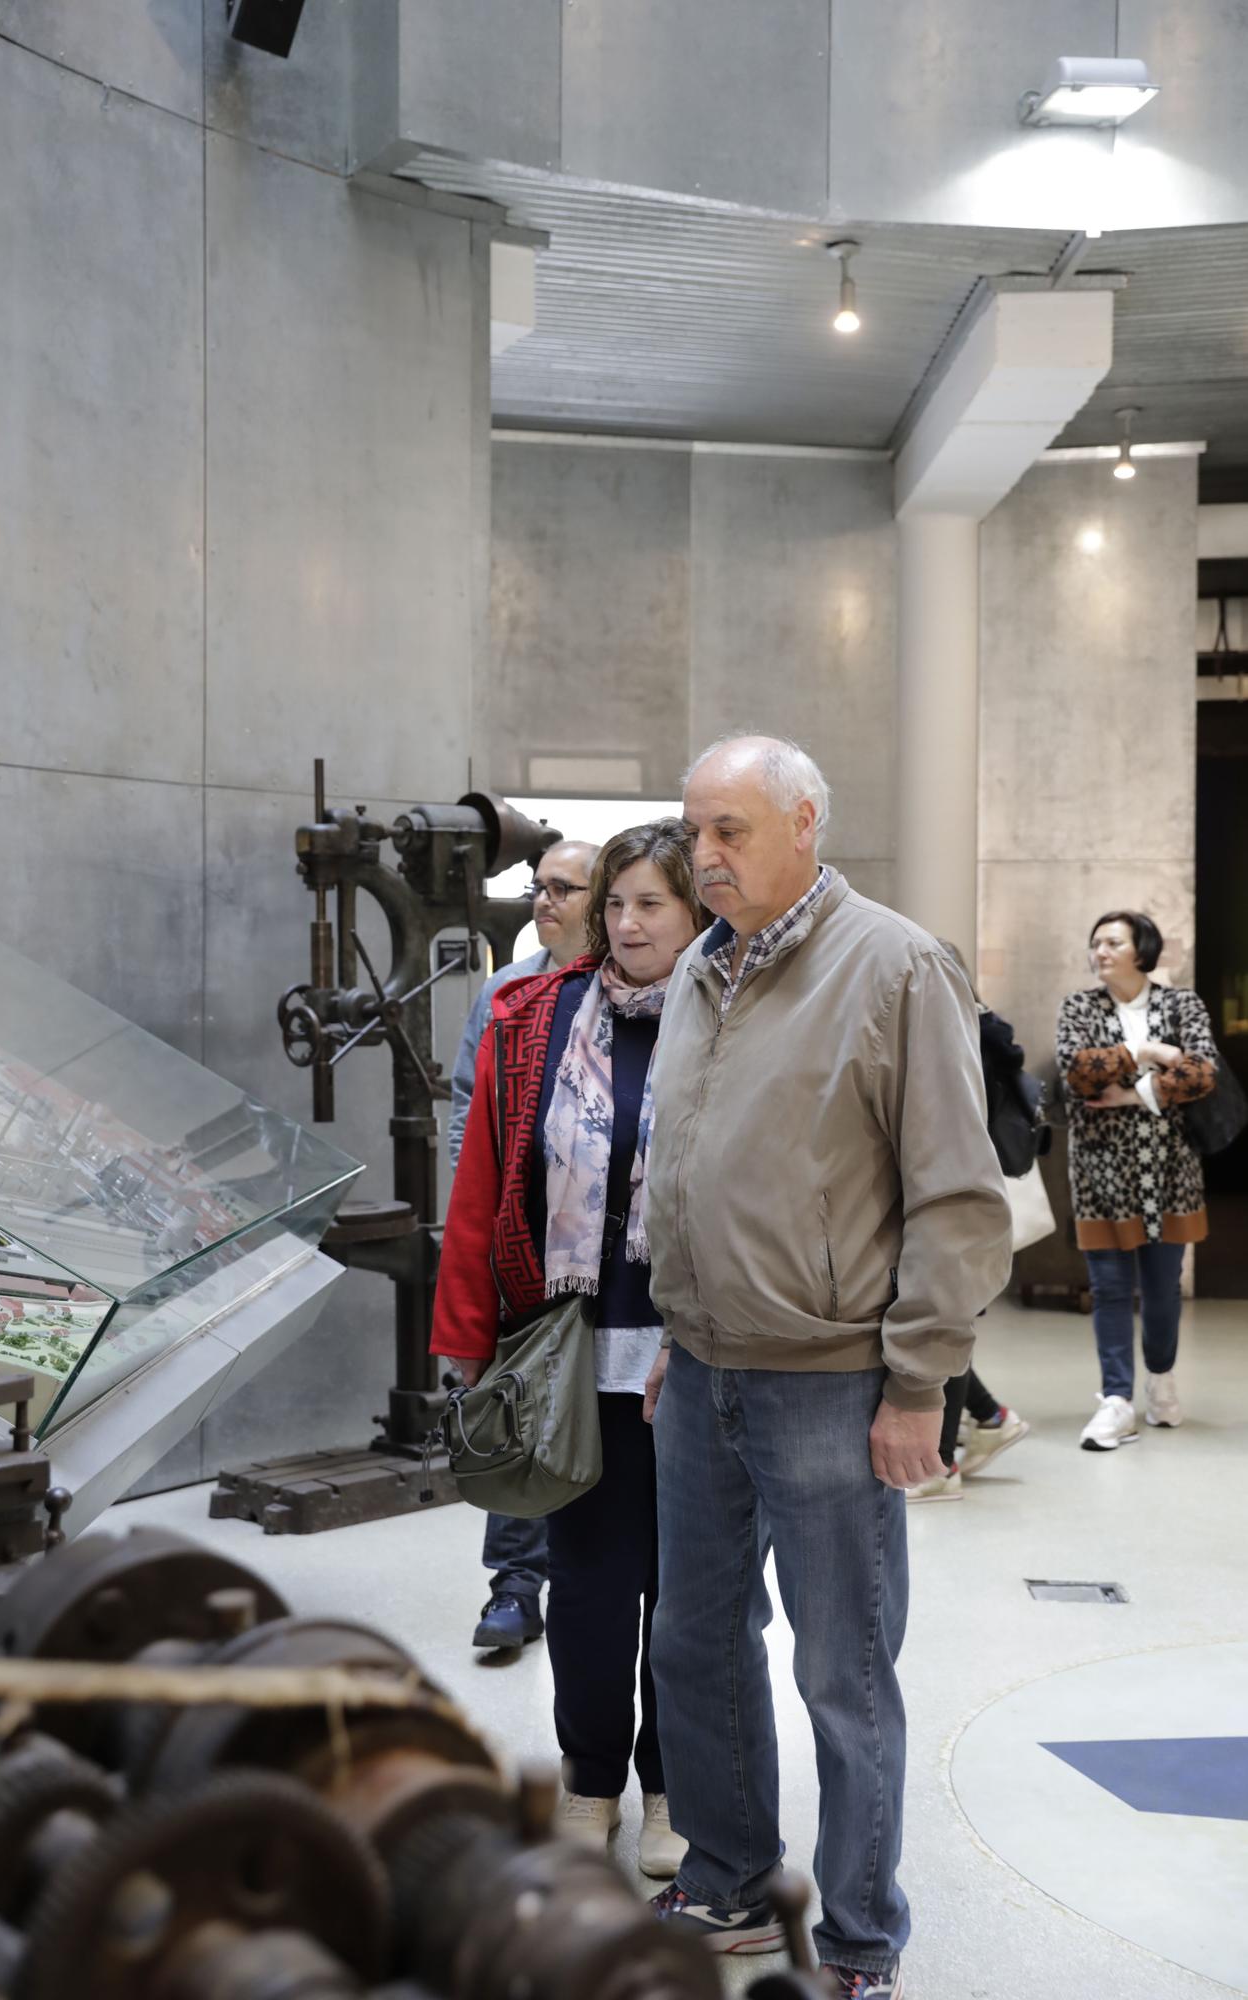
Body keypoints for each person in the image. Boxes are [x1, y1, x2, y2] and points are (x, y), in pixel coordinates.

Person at [643, 735, 1012, 1993]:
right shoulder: (703, 965)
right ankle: (732, 1878)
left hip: (830, 1380)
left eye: (730, 831)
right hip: (699, 1370)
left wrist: (916, 1381)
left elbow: (959, 1199)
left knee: (839, 1670)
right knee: (693, 1641)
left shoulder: (896, 965)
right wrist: (673, 1333)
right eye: (694, 831)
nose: (704, 856)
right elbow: (684, 1166)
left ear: (804, 823)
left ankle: (859, 1934)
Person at [433, 820, 704, 1878]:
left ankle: (670, 1786)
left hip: (699, 1358)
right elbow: (484, 1182)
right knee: (590, 1587)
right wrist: (462, 1333)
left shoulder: (729, 1020)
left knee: (688, 1596)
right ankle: (589, 1779)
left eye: (653, 905)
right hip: (574, 1357)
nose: (630, 923)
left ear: (696, 915)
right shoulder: (531, 1016)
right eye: (617, 904)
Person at [446, 839, 598, 1654]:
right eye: (539, 888)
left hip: (607, 1252)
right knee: (516, 1398)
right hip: (524, 1245)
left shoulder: (641, 992)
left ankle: (586, 1575)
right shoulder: (506, 991)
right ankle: (514, 1581)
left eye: (564, 888)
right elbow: (467, 1108)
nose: (544, 901)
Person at [1056, 909, 1216, 1451]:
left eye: (1113, 943)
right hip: (1102, 1174)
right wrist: (1144, 1053)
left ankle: (1163, 1377)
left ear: (1141, 950)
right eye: (1095, 942)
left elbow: (1202, 1071)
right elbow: (1076, 1072)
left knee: (1164, 1288)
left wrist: (1131, 1093)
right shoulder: (1079, 1006)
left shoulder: (1182, 1004)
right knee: (1109, 1288)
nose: (1100, 951)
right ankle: (1115, 1399)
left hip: (1172, 1172)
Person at [908, 951, 1032, 1503]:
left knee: (947, 1328)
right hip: (968, 1196)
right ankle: (991, 1418)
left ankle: (940, 1465)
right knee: (949, 1328)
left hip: (956, 1204)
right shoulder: (975, 1026)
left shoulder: (956, 1035)